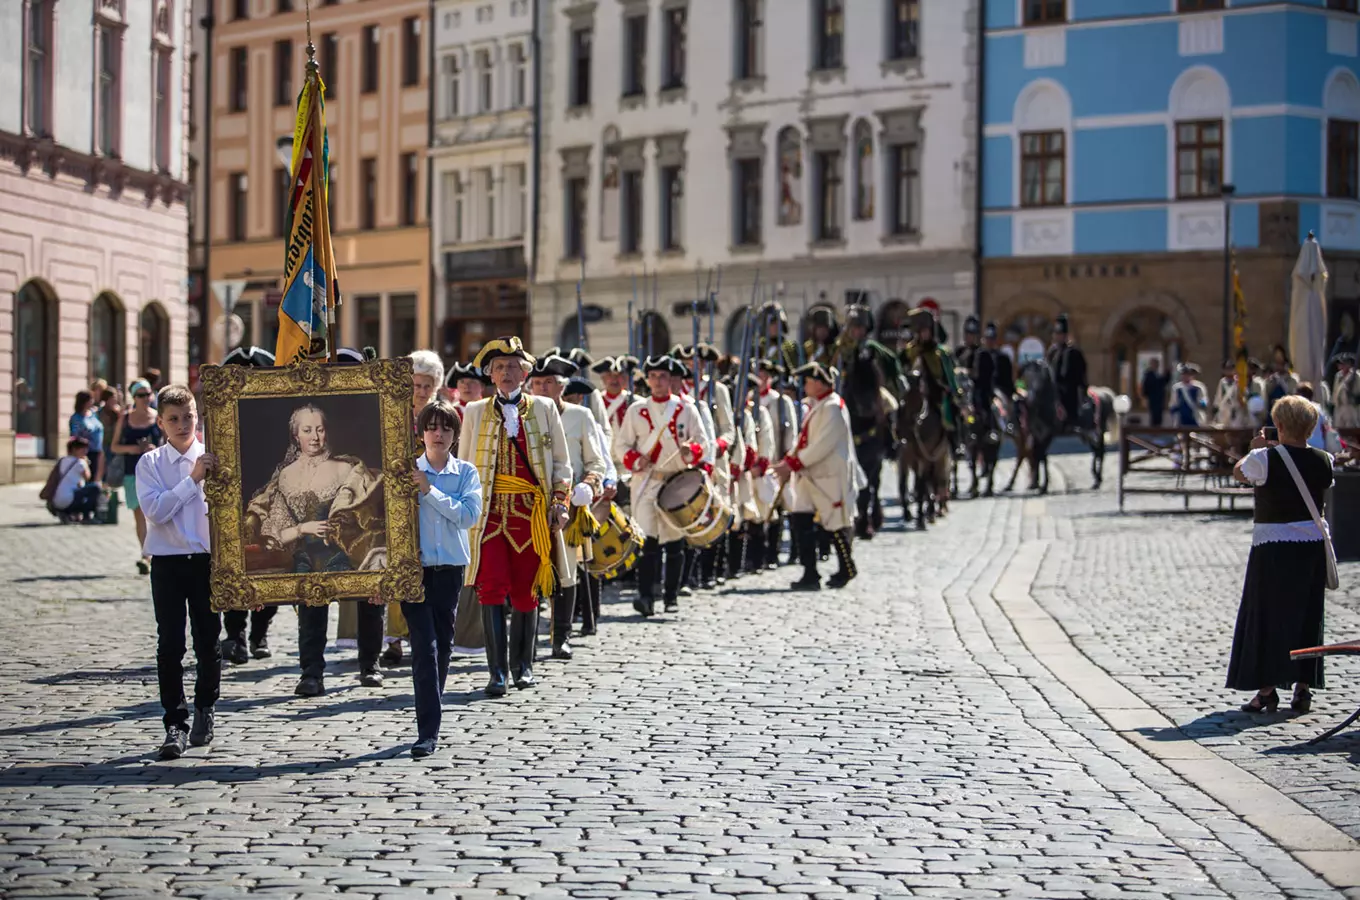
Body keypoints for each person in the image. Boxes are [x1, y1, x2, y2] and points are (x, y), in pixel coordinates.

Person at [458, 336, 573, 695]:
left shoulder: (544, 409)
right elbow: (463, 464)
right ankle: (497, 672)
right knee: (490, 591)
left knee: (527, 592)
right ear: (490, 375)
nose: (507, 373)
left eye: (513, 367)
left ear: (525, 373)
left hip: (530, 517)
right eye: (499, 367)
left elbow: (561, 464)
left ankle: (523, 665)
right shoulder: (475, 412)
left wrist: (560, 501)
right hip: (489, 518)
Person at [246, 402, 386, 695]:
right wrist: (302, 529)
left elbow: (368, 510)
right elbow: (272, 533)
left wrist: (343, 522)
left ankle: (370, 664)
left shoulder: (348, 468)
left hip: (345, 549)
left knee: (369, 591)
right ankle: (311, 673)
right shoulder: (284, 477)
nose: (315, 436)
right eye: (307, 430)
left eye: (319, 429)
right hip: (305, 553)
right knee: (310, 602)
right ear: (295, 435)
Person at [1227, 395, 1332, 715]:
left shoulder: (1263, 458)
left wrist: (1255, 448)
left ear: (1281, 426)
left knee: (1270, 616)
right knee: (1307, 614)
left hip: (1273, 546)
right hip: (1310, 545)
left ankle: (1267, 690)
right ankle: (1302, 688)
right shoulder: (1324, 458)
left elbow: (1239, 473)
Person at [135, 385, 220, 760]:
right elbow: (156, 512)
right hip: (167, 562)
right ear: (161, 423)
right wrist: (192, 481)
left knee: (208, 640)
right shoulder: (150, 464)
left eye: (188, 417)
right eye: (174, 419)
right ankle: (175, 721)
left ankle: (205, 707)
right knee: (170, 644)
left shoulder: (214, 457)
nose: (183, 424)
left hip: (206, 562)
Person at [404, 399, 482, 757]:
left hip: (449, 568)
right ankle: (427, 731)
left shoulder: (465, 472)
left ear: (455, 434)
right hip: (412, 570)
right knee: (424, 646)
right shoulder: (404, 469)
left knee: (443, 645)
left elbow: (468, 516)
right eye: (432, 427)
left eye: (446, 428)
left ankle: (430, 713)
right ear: (421, 433)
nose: (439, 434)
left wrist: (429, 491)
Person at [617, 355, 711, 616]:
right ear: (647, 380)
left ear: (671, 380)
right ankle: (645, 596)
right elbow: (622, 444)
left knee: (674, 539)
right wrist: (635, 459)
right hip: (646, 480)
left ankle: (671, 596)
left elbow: (703, 442)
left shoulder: (686, 409)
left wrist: (690, 449)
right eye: (654, 376)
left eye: (663, 376)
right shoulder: (636, 410)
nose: (658, 381)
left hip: (675, 480)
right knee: (647, 539)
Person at [527, 354, 606, 660]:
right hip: (531, 504)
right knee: (531, 571)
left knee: (566, 570)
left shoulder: (579, 416)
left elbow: (595, 460)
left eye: (549, 383)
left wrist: (589, 483)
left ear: (561, 387)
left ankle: (561, 635)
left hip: (567, 504)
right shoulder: (523, 414)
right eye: (537, 383)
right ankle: (528, 637)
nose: (543, 388)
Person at [774, 362, 858, 590]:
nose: (806, 387)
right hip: (809, 475)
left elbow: (823, 444)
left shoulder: (833, 407)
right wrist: (788, 460)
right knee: (801, 521)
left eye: (809, 382)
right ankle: (810, 572)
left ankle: (846, 567)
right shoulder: (816, 406)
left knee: (835, 523)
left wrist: (793, 463)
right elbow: (803, 440)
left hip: (827, 475)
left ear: (820, 383)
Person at [564, 374, 617, 636]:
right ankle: (569, 613)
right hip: (560, 495)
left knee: (586, 557)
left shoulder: (585, 418)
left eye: (573, 397)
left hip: (585, 494)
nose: (570, 401)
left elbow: (603, 459)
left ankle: (590, 615)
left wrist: (608, 481)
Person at [110, 380, 164, 574]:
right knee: (139, 513)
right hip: (132, 472)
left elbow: (169, 444)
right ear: (134, 397)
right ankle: (146, 555)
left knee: (156, 514)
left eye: (148, 394)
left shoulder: (159, 417)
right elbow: (114, 446)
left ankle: (157, 552)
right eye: (140, 395)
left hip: (156, 472)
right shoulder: (125, 419)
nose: (145, 398)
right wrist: (135, 449)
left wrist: (154, 449)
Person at [757, 360, 797, 568]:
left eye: (765, 375)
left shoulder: (780, 401)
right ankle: (759, 555)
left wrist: (788, 458)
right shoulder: (750, 400)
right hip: (759, 461)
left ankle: (774, 553)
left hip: (777, 461)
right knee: (760, 508)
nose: (761, 379)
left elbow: (790, 432)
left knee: (780, 507)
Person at [1046, 314, 1088, 431]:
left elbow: (1080, 373)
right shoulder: (1052, 352)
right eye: (1057, 334)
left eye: (1061, 335)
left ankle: (1072, 420)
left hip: (1070, 387)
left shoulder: (1073, 352)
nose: (1059, 337)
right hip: (1054, 387)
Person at [49, 437, 102, 521]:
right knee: (95, 488)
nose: (85, 451)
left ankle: (67, 513)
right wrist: (86, 464)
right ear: (74, 449)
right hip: (69, 500)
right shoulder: (80, 462)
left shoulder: (62, 460)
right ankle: (86, 516)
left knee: (79, 490)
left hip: (56, 501)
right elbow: (87, 477)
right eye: (82, 449)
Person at [69, 391, 106, 486]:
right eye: (90, 400)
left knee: (98, 479)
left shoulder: (93, 414)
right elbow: (74, 436)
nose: (92, 402)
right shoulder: (76, 418)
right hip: (86, 452)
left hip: (98, 450)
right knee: (88, 479)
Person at [1140, 358, 1168, 427]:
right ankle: (1153, 429)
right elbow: (1145, 386)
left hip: (1160, 398)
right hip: (1152, 397)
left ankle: (1158, 428)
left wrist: (1168, 374)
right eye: (1153, 364)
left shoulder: (1158, 374)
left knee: (1159, 414)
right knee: (1153, 414)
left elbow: (1163, 382)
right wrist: (1145, 397)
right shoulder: (1148, 374)